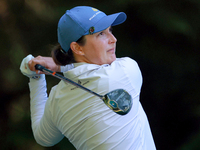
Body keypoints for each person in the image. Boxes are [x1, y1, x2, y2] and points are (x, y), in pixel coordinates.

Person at [20, 6, 156, 150]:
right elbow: (86, 70)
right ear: (78, 48)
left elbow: (43, 138)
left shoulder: (57, 100)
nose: (113, 39)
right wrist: (56, 65)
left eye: (110, 30)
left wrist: (35, 78)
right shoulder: (126, 71)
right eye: (101, 34)